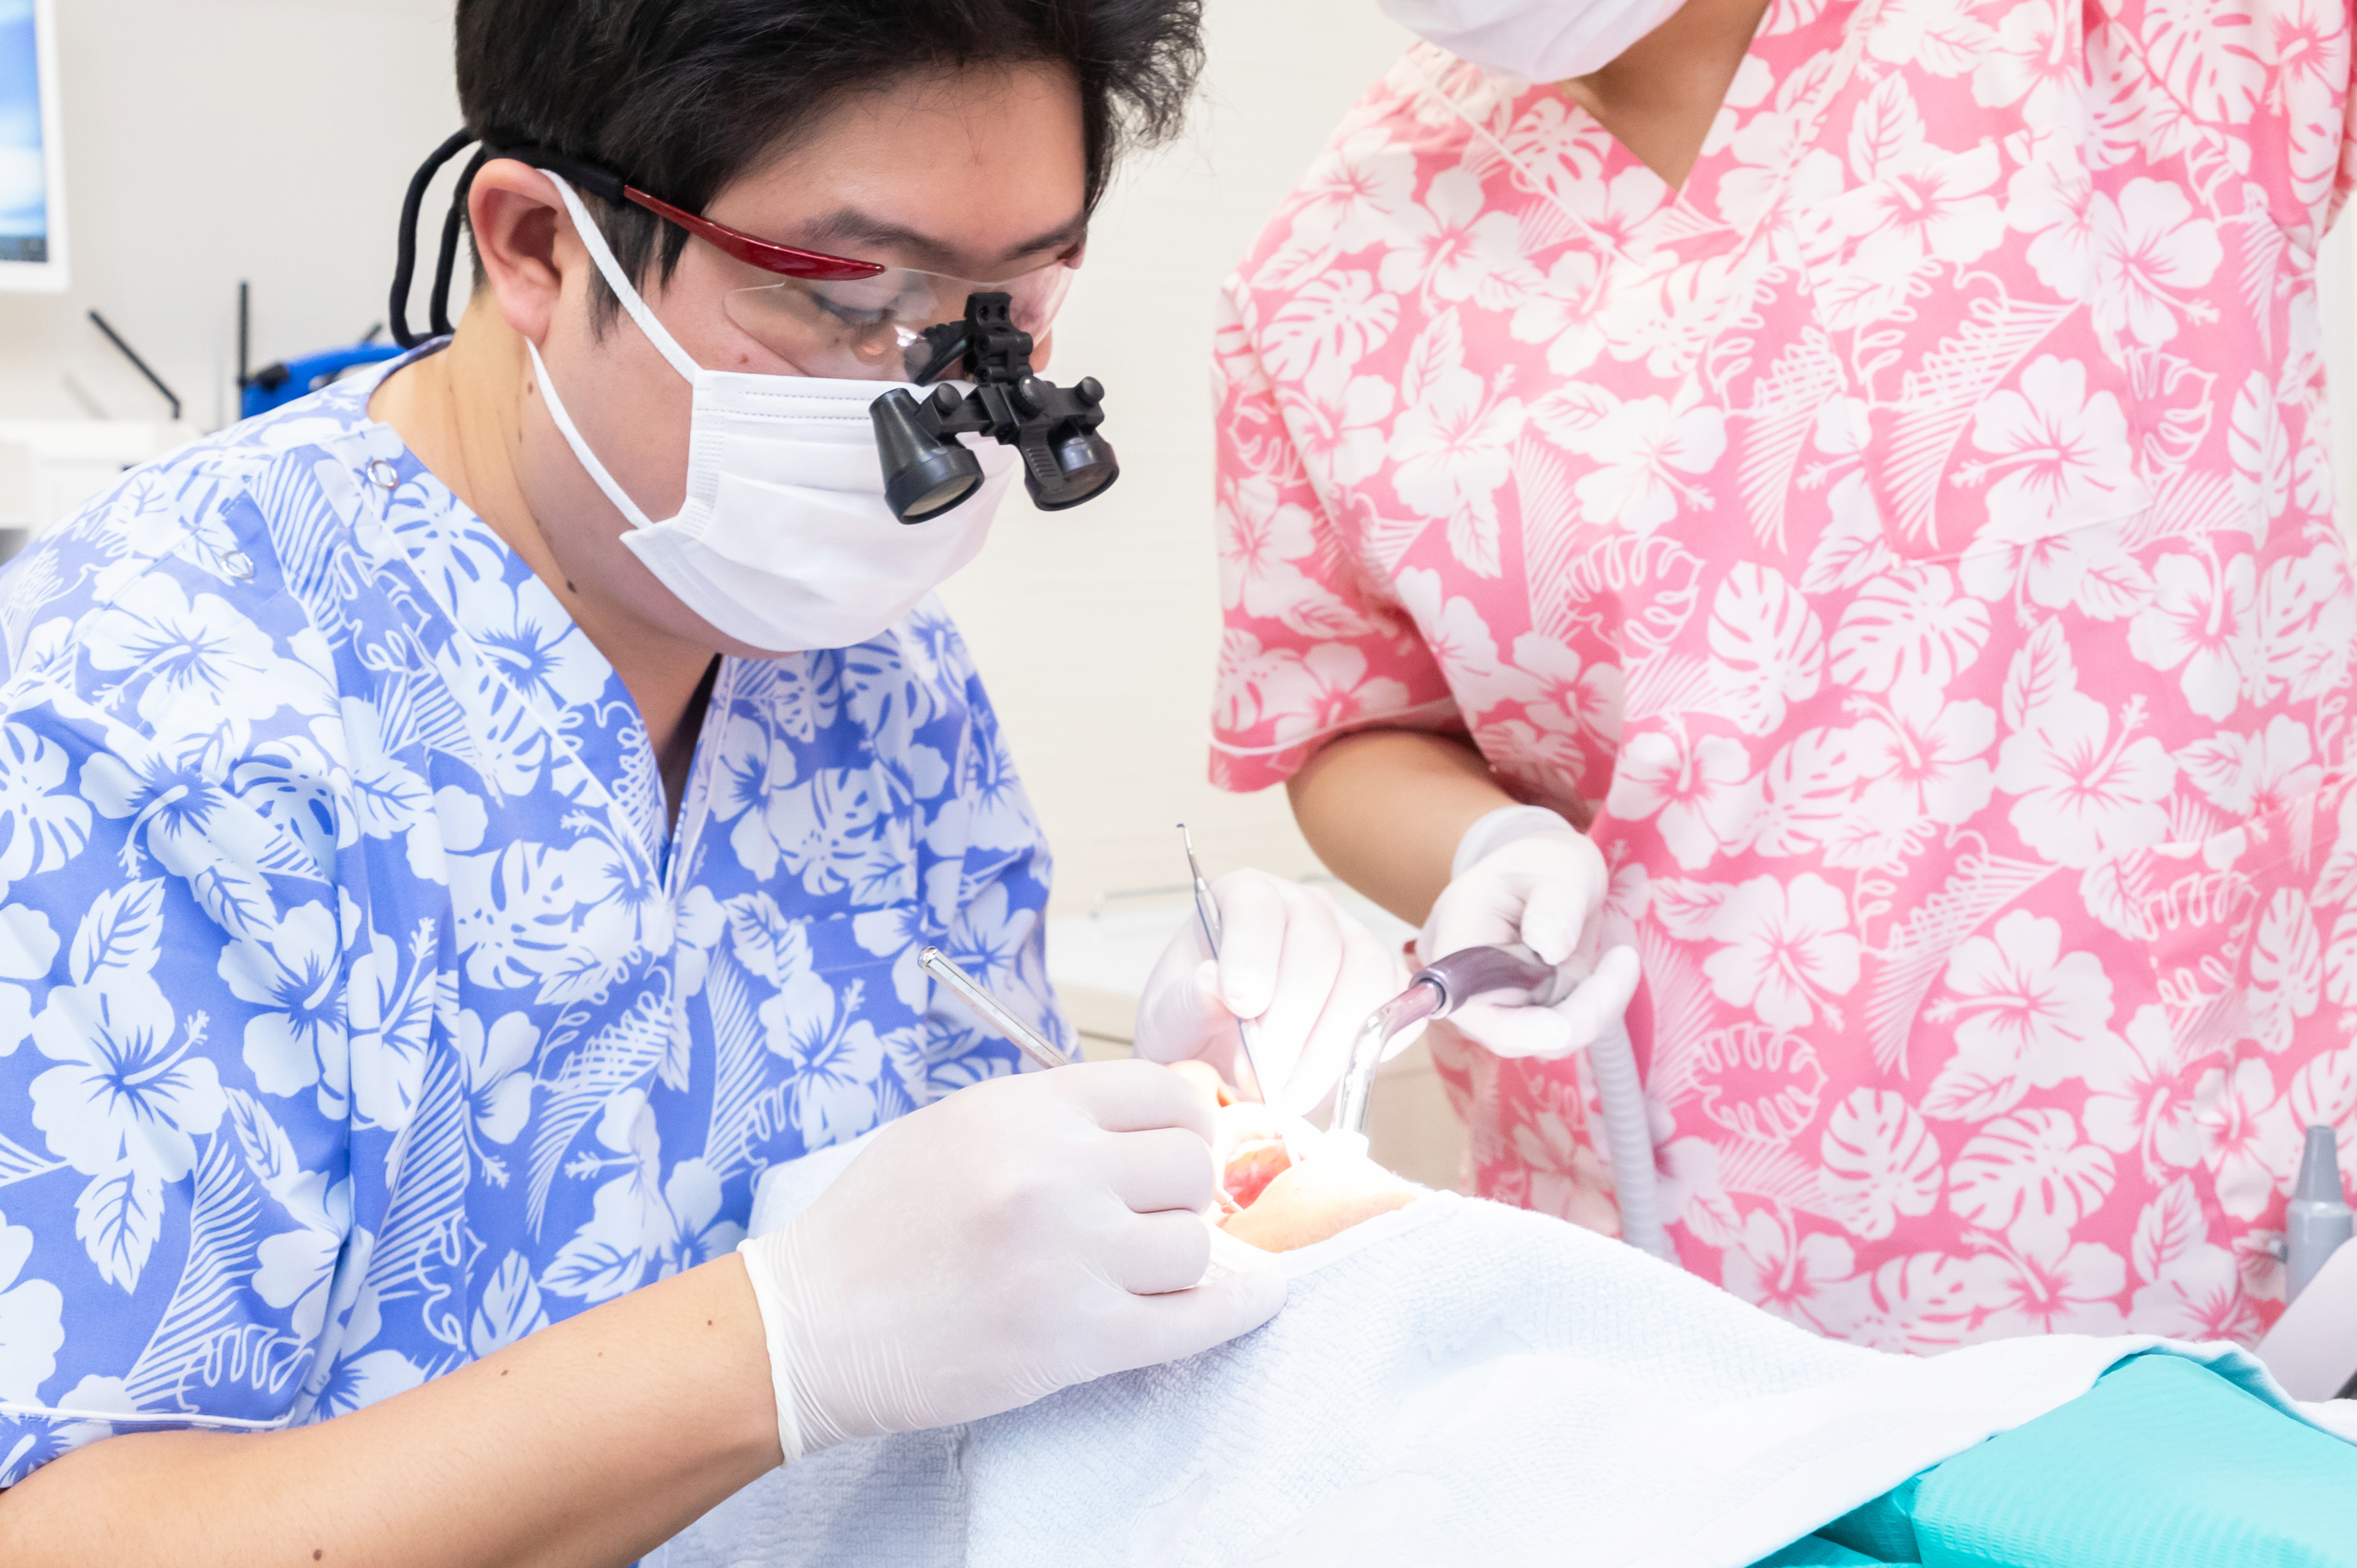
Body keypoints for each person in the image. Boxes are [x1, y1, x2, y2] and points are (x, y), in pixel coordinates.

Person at [0, 1, 1410, 1561]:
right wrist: (775, 1344)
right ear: (539, 245)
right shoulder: (144, 712)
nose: (938, 394)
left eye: (1010, 309)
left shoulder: (890, 686)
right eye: (856, 296)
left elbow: (971, 1263)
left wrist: (1158, 1132)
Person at [1211, 0, 2357, 1346]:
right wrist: (1487, 849)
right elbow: (1346, 723)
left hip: (2222, 1229)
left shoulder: (2114, 35)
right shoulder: (1328, 270)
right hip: (1653, 1267)